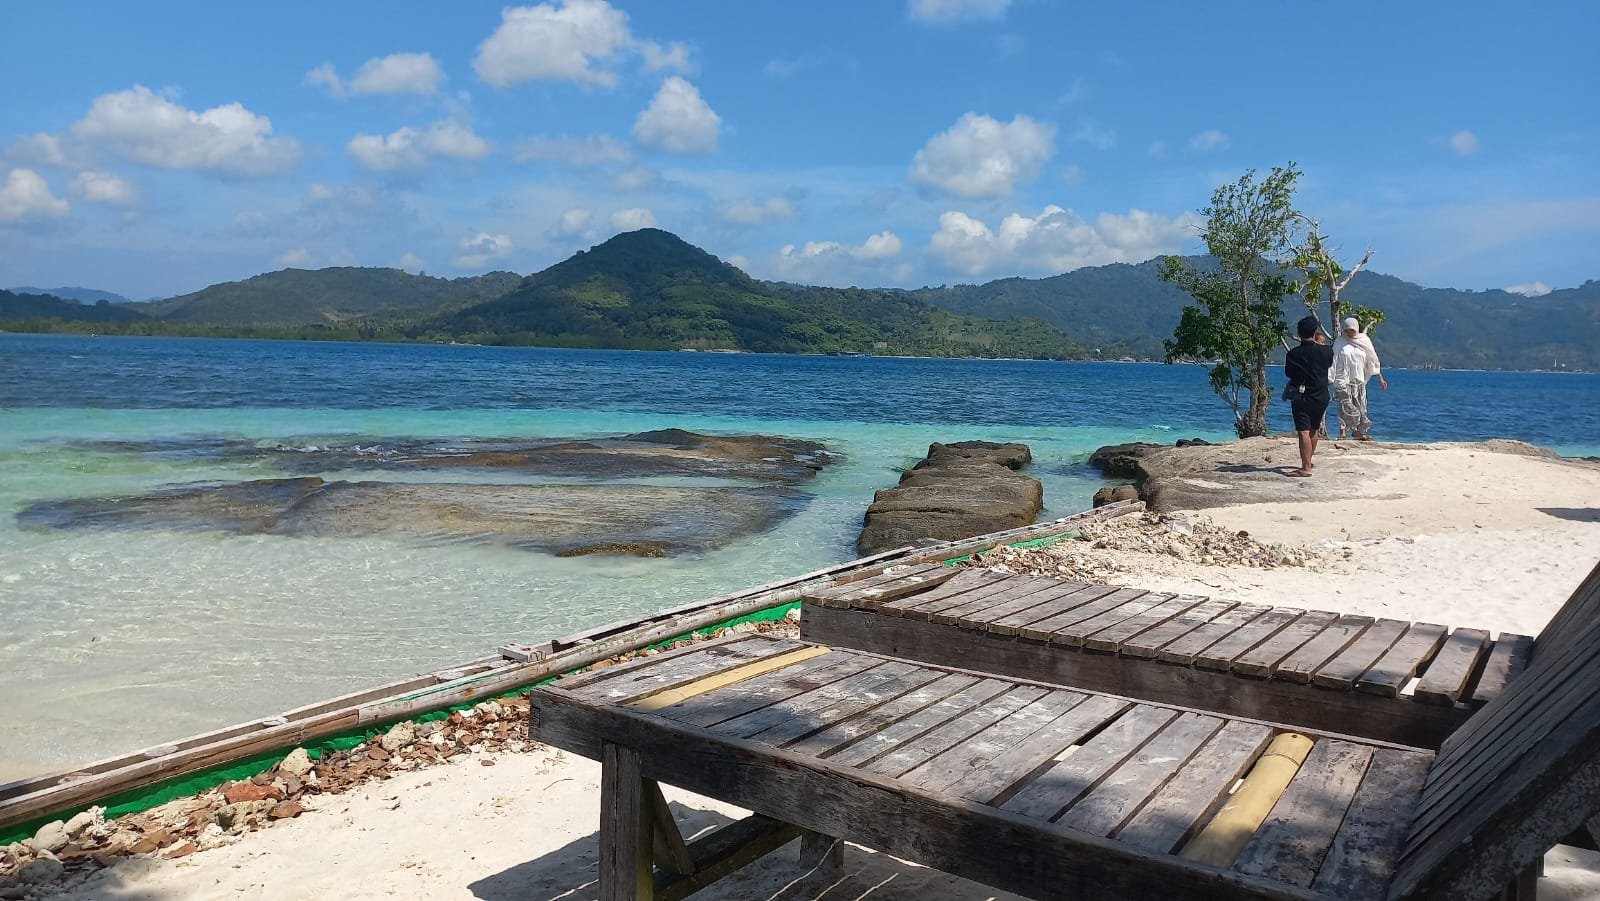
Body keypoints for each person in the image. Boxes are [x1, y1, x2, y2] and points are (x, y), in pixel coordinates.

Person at [1284, 315, 1334, 477]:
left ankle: (1306, 467)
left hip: (1302, 396)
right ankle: (1308, 462)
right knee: (1314, 429)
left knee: (1303, 431)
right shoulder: (1326, 351)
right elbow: (1328, 364)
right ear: (1314, 332)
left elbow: (1289, 373)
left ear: (1299, 333)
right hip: (1322, 395)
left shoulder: (1293, 354)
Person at [1330, 316, 1388, 440]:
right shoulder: (1340, 342)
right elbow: (1333, 359)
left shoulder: (1364, 340)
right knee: (1344, 406)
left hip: (1359, 379)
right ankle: (1343, 431)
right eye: (1347, 330)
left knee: (1360, 406)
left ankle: (1358, 432)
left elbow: (1372, 361)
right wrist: (1330, 377)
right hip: (1342, 379)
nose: (1349, 333)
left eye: (1352, 330)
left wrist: (1380, 378)